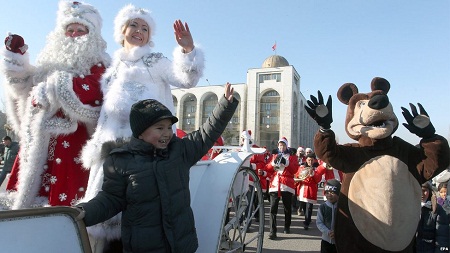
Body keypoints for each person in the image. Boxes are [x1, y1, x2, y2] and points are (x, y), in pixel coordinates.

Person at [79, 4, 204, 249]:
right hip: (112, 156)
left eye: (145, 28)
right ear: (122, 29)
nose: (139, 31)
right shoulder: (112, 70)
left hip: (148, 152)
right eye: (134, 25)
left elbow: (186, 78)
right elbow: (106, 115)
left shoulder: (154, 61)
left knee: (141, 220)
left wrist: (187, 49)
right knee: (104, 222)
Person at [75, 83, 237, 253]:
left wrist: (225, 105)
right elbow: (110, 199)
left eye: (168, 127)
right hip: (144, 247)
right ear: (140, 133)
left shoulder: (179, 151)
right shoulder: (121, 161)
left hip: (181, 244)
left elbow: (206, 134)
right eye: (159, 128)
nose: (166, 133)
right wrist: (83, 213)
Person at [0, 1, 109, 209]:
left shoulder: (100, 62)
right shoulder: (48, 62)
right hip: (39, 142)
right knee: (28, 194)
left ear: (91, 34)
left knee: (68, 202)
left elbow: (97, 87)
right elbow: (25, 89)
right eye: (70, 30)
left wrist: (57, 86)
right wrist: (16, 61)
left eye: (80, 30)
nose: (74, 34)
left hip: (74, 143)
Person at [261, 137, 297, 239]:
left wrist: (286, 163)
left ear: (286, 146)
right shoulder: (274, 156)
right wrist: (272, 164)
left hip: (286, 185)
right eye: (280, 145)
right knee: (273, 209)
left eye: (283, 145)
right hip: (275, 184)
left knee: (287, 208)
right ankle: (272, 231)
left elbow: (295, 170)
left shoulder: (292, 157)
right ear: (278, 146)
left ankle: (287, 226)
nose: (281, 147)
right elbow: (268, 168)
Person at [415, 182, 449, 253]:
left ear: (429, 191)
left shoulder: (437, 209)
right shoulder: (409, 207)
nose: (422, 194)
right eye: (419, 190)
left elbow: (442, 237)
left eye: (424, 191)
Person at [295, 152, 322, 230]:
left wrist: (313, 174)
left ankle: (306, 222)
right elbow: (297, 175)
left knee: (309, 206)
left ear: (314, 160)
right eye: (309, 160)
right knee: (303, 205)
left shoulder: (316, 168)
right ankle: (307, 218)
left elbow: (318, 179)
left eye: (312, 160)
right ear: (306, 160)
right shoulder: (302, 167)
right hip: (303, 187)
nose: (310, 162)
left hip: (311, 189)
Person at [316, 179, 341, 253]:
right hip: (326, 240)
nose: (329, 195)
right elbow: (319, 222)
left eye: (333, 192)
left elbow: (345, 223)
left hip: (339, 241)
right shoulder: (322, 207)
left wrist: (337, 232)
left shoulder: (342, 208)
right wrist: (328, 232)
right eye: (327, 192)